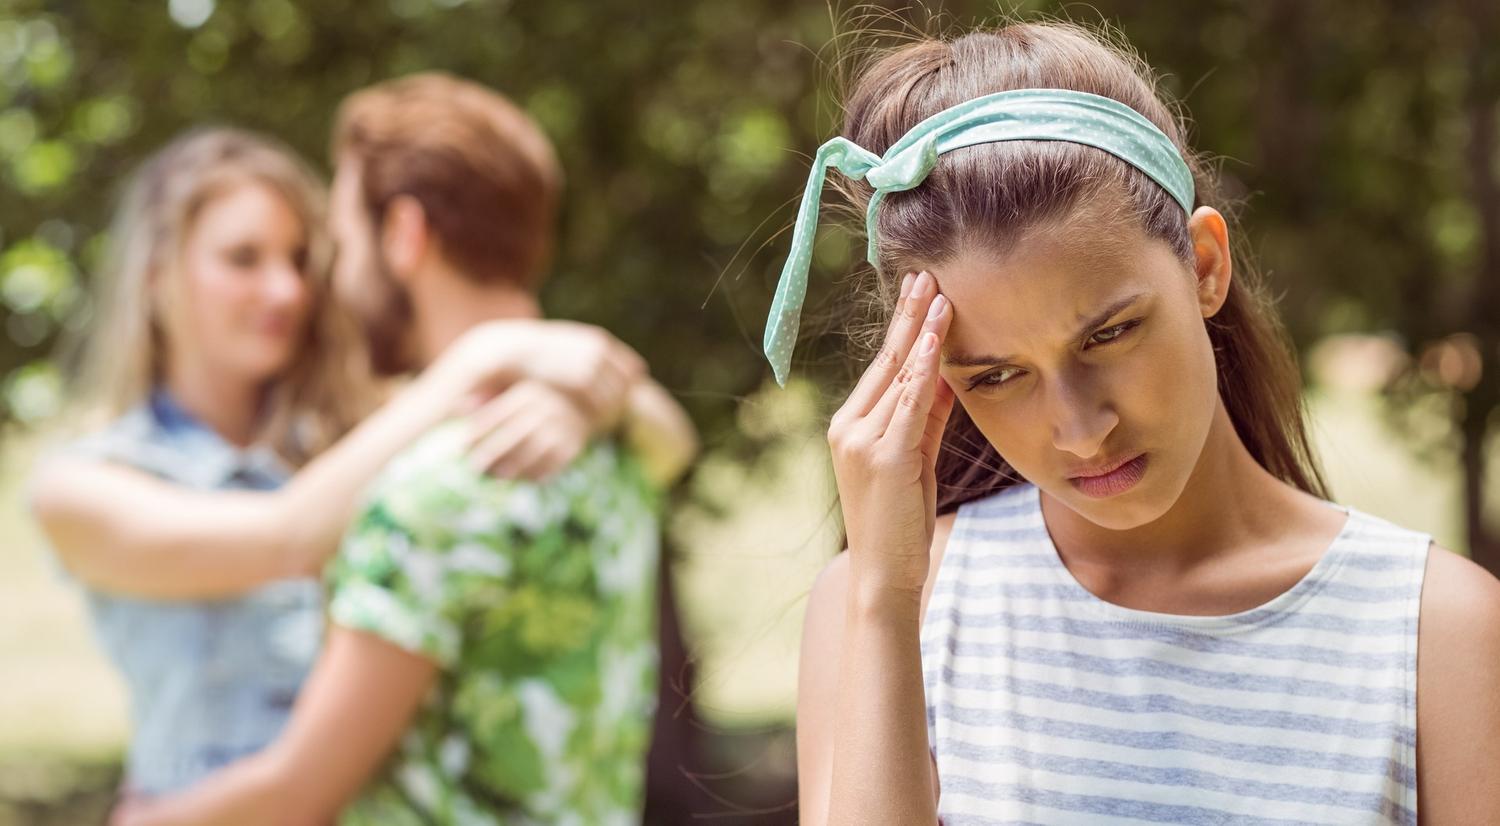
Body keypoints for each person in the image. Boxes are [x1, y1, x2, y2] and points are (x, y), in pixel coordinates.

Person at [783, 23, 1500, 825]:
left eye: (1109, 334)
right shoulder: (883, 610)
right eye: (997, 376)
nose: (1081, 430)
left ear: (1205, 265)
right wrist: (887, 599)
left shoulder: (1440, 634)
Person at [29, 127, 693, 800]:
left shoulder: (367, 430)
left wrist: (586, 407)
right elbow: (284, 538)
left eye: (299, 260)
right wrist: (480, 355)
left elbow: (672, 442)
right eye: (243, 259)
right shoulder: (83, 487)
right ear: (155, 274)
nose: (286, 290)